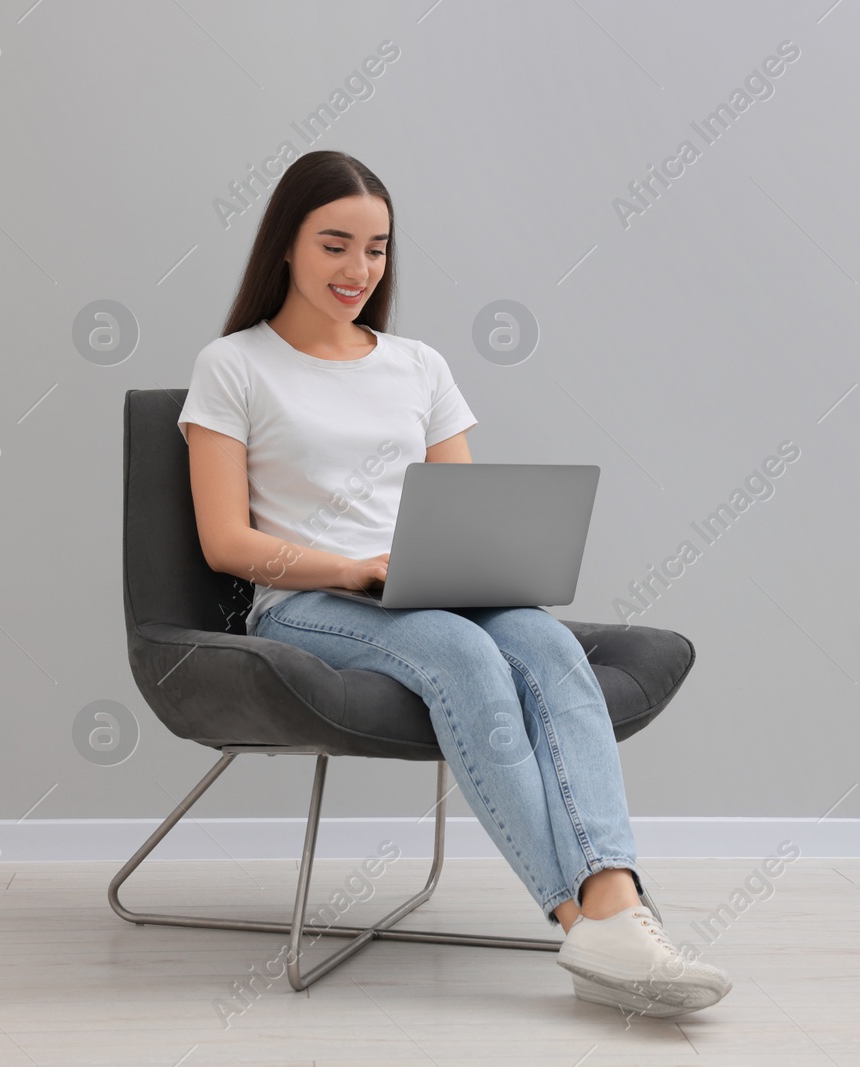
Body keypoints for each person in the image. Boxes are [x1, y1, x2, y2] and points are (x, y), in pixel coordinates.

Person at [176, 149, 730, 1018]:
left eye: (377, 248)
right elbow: (225, 542)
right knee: (466, 658)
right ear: (284, 243)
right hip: (307, 603)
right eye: (335, 245)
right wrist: (354, 566)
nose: (359, 270)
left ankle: (617, 901)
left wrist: (470, 567)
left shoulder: (419, 366)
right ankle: (575, 914)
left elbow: (460, 508)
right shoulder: (234, 366)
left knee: (546, 643)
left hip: (425, 586)